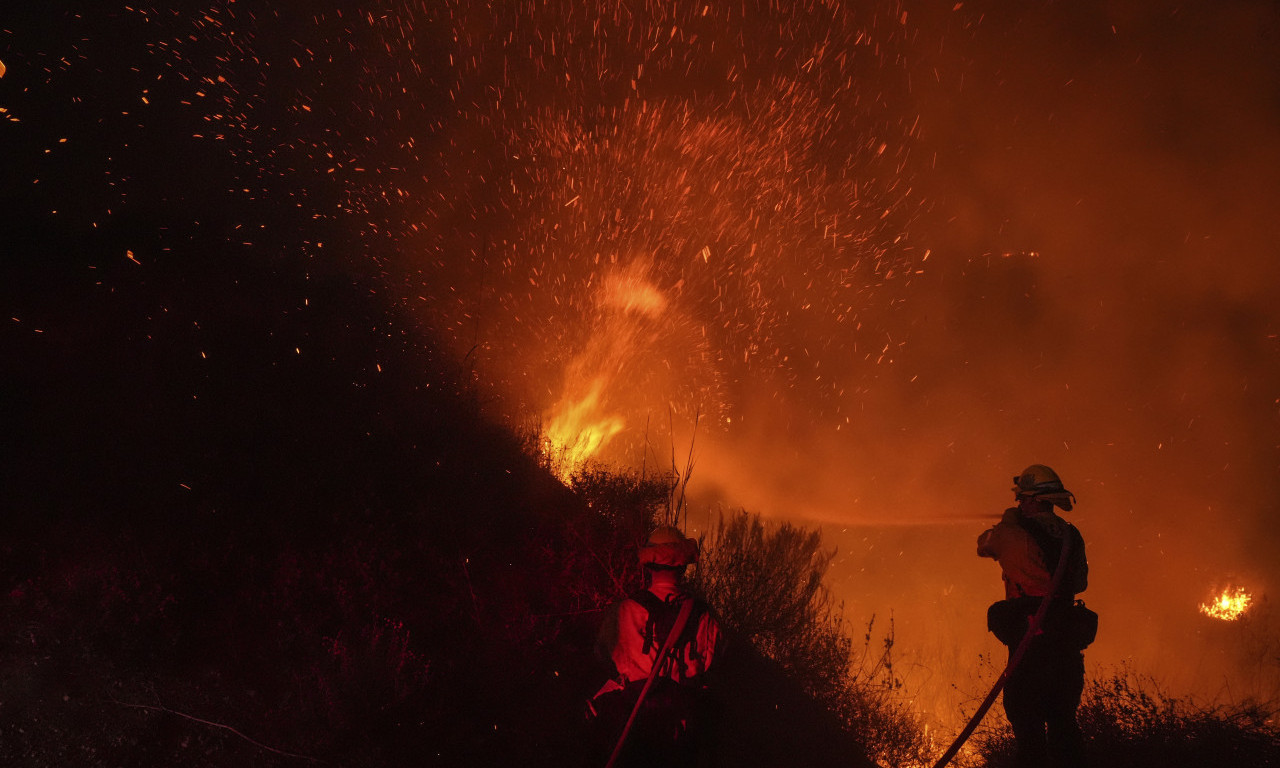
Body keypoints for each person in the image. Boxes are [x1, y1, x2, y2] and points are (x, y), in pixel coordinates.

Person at [978, 464, 1093, 768]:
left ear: (1033, 500)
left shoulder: (1014, 533)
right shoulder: (1071, 534)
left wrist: (1007, 521)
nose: (1019, 504)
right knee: (1063, 726)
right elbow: (1079, 583)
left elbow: (985, 545)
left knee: (1027, 727)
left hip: (1032, 643)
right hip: (1066, 645)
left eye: (1022, 499)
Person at [590, 525, 723, 767]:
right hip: (682, 730)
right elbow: (712, 665)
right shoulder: (706, 618)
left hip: (633, 723)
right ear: (682, 567)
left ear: (649, 565)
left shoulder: (625, 610)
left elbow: (603, 656)